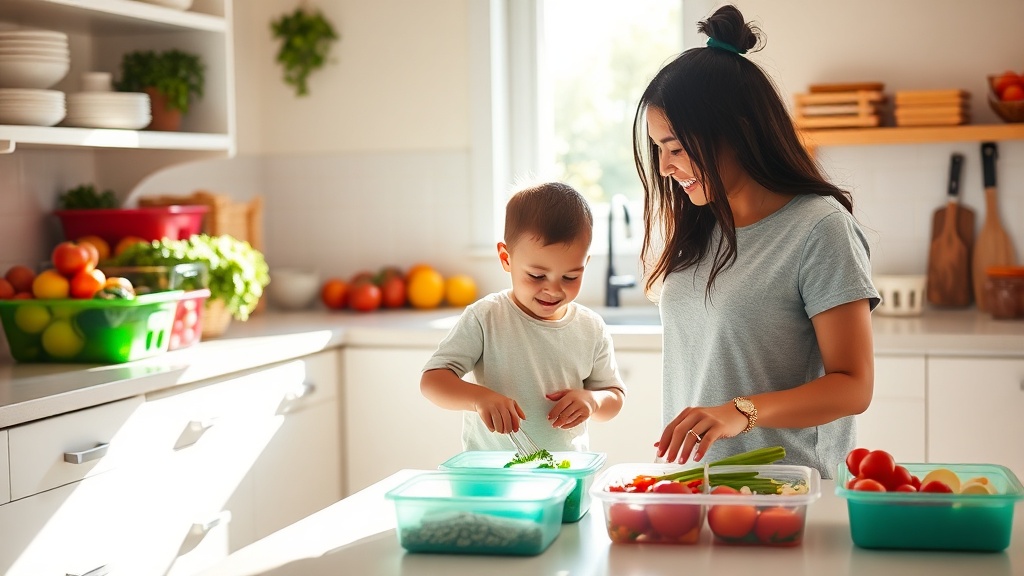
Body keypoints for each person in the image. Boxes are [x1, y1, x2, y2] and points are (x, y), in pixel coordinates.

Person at [633, 5, 879, 478]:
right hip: (695, 489)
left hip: (787, 490)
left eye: (677, 149)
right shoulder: (701, 227)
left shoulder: (818, 229)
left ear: (738, 132)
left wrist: (738, 411)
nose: (665, 168)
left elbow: (854, 387)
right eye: (659, 150)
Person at [420, 182, 626, 452]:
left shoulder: (591, 328)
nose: (553, 289)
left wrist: (593, 401)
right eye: (537, 276)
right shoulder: (487, 317)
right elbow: (432, 381)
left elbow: (614, 397)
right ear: (506, 258)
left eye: (570, 277)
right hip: (492, 479)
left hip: (564, 476)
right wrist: (478, 399)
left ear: (585, 264)